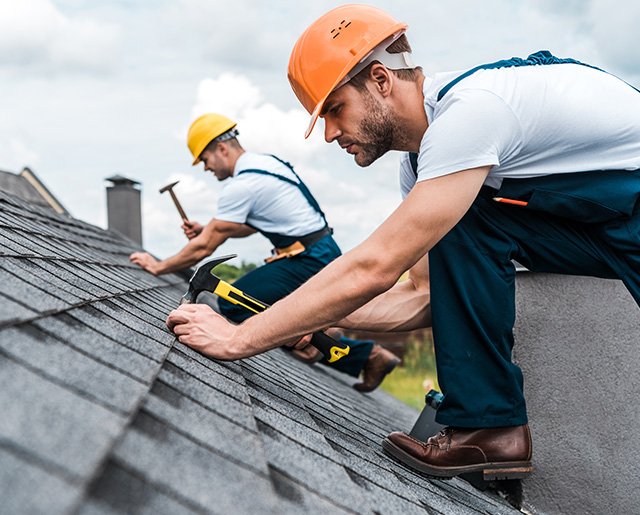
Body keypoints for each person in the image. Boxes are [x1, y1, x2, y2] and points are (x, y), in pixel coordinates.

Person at [167, 4, 640, 479]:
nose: (330, 134)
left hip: (622, 207)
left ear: (379, 79)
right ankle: (490, 430)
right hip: (602, 222)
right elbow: (425, 295)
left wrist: (240, 337)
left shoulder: (470, 114)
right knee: (468, 220)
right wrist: (294, 321)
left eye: (335, 110)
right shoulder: (423, 168)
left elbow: (375, 267)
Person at [131, 112, 400, 391]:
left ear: (221, 149)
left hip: (307, 259)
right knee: (280, 314)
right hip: (317, 252)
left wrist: (158, 266)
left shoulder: (243, 184)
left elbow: (205, 246)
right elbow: (246, 226)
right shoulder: (266, 165)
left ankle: (357, 352)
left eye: (205, 160)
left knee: (232, 304)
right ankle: (357, 352)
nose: (206, 168)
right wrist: (208, 229)